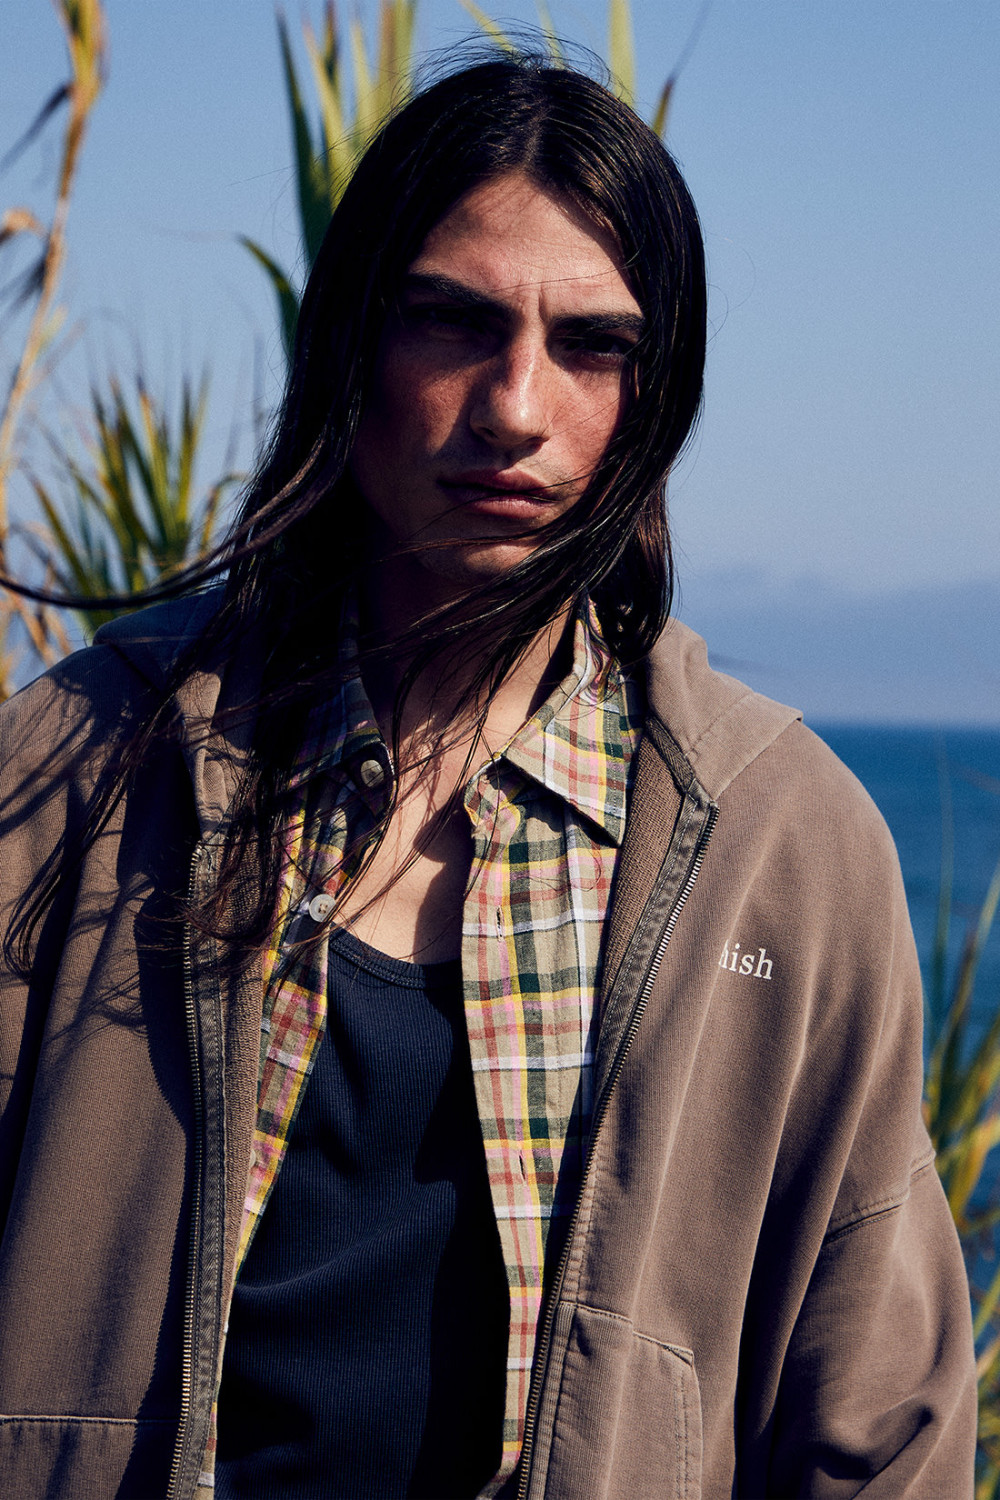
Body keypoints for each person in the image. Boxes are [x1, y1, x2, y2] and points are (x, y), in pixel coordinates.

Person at [0, 53, 977, 1500]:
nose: (515, 405)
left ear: (656, 399)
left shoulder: (782, 846)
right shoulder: (81, 768)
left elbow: (881, 1429)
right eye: (455, 321)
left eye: (593, 345)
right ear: (352, 346)